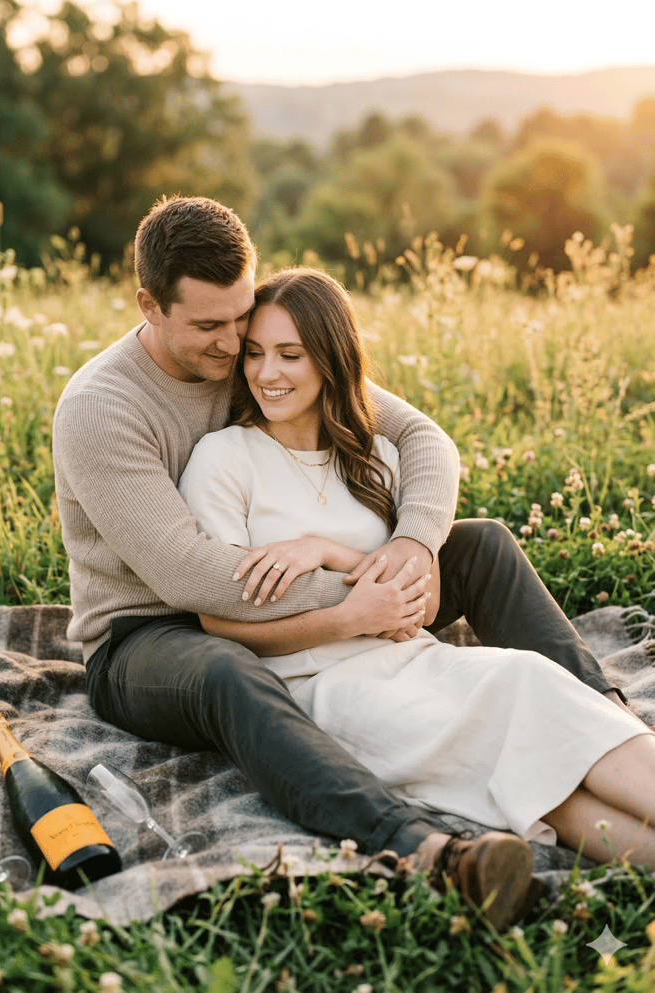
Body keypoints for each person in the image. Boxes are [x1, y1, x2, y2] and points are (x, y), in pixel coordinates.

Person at [52, 195, 621, 930]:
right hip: (148, 637)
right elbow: (190, 576)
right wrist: (359, 598)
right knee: (229, 671)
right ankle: (428, 850)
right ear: (149, 306)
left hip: (295, 590)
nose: (235, 348)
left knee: (477, 544)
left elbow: (422, 438)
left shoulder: (257, 348)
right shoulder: (103, 406)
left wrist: (410, 546)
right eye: (209, 327)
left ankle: (605, 723)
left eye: (241, 318)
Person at [177, 265, 655, 883]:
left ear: (330, 358)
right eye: (256, 353)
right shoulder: (224, 460)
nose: (267, 374)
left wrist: (327, 549)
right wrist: (346, 618)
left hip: (413, 658)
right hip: (323, 690)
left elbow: (418, 601)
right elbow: (218, 621)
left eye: (290, 355)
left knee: (531, 687)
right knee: (524, 756)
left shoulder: (376, 456)